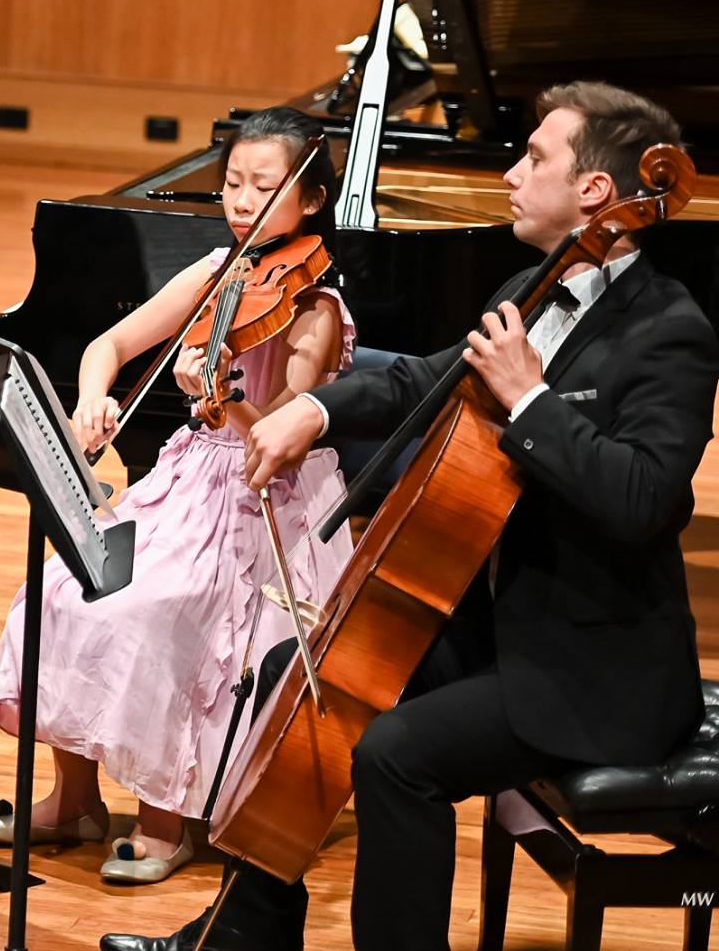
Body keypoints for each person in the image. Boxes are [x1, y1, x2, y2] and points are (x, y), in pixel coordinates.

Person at [103, 80, 719, 950]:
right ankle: (251, 932)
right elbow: (423, 377)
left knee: (396, 755)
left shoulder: (669, 331)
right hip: (501, 629)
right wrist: (311, 410)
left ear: (593, 191)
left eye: (533, 158)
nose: (510, 174)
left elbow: (644, 501)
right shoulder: (537, 288)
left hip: (593, 668)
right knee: (292, 669)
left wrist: (532, 401)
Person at [0, 107, 354, 883]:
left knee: (161, 617)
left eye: (264, 187)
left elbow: (278, 437)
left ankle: (165, 821)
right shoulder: (216, 273)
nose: (242, 201)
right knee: (63, 591)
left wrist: (223, 398)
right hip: (188, 480)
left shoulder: (314, 309)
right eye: (233, 183)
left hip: (264, 500)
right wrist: (93, 399)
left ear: (312, 200)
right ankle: (75, 800)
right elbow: (109, 345)